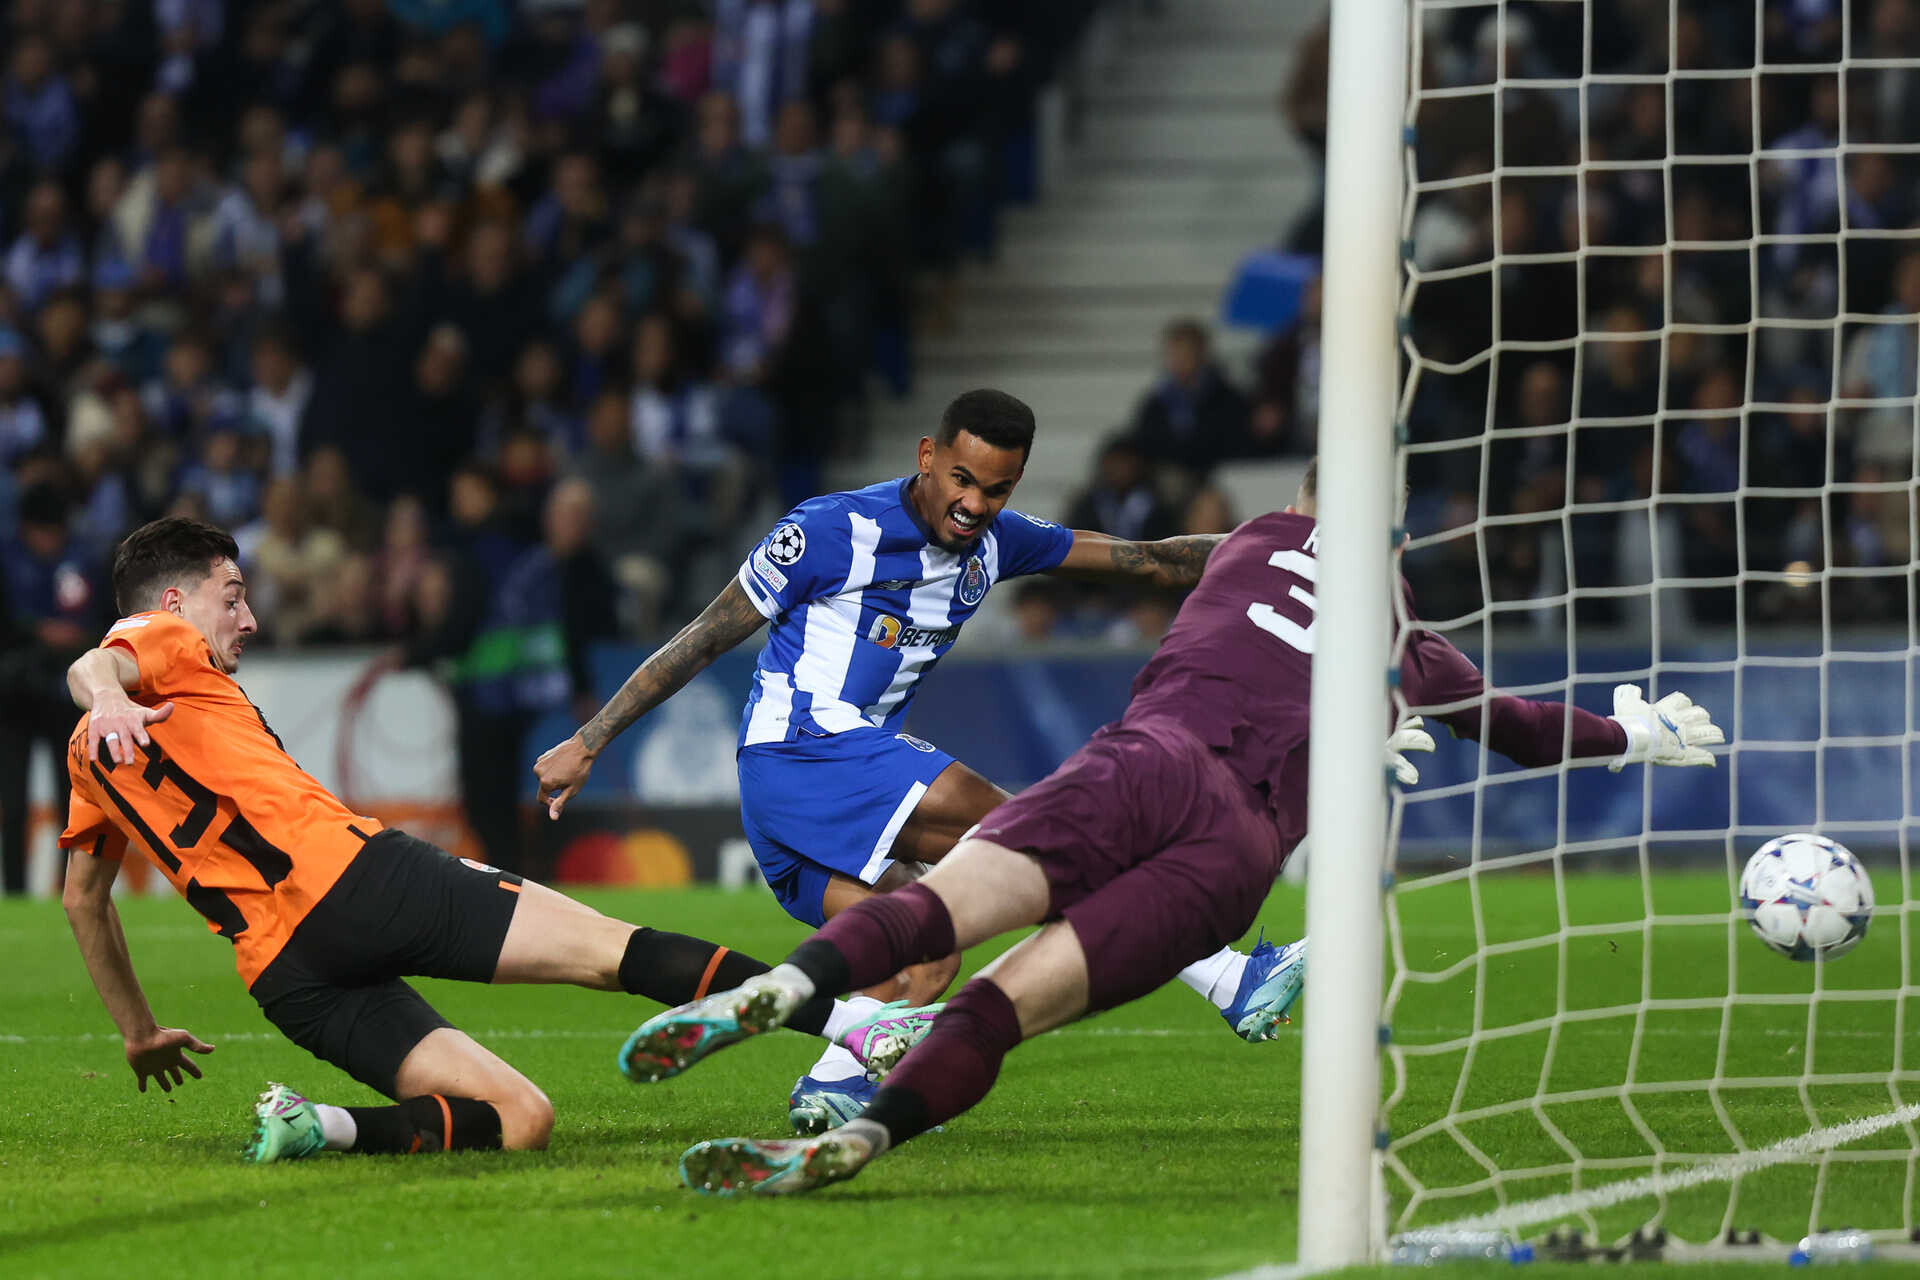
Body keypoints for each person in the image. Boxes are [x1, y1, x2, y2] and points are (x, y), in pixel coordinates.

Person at [622, 458, 1728, 1194]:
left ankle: (782, 993)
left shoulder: (1250, 542)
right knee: (1001, 1012)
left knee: (930, 909)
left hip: (1144, 764)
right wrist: (1633, 735)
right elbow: (1526, 730)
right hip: (1234, 857)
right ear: (1393, 535)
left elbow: (1179, 572)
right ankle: (864, 1138)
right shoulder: (1407, 640)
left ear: (1296, 503)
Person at [534, 389, 1309, 1134]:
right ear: (928, 456)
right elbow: (704, 634)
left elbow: (1152, 560)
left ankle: (832, 1084)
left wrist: (1287, 552)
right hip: (803, 754)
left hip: (824, 804)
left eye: (996, 490)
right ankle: (1224, 976)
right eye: (962, 480)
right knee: (1042, 834)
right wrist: (591, 739)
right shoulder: (832, 529)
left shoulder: (998, 543)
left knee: (929, 954)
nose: (973, 504)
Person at [56, 517, 936, 1162]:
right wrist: (106, 691)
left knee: (520, 1119)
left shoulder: (89, 760)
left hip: (287, 978)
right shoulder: (157, 643)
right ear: (175, 601)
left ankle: (316, 1126)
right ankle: (859, 1023)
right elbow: (99, 661)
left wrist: (137, 1031)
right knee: (612, 951)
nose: (245, 619)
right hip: (361, 884)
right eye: (232, 596)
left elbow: (83, 901)